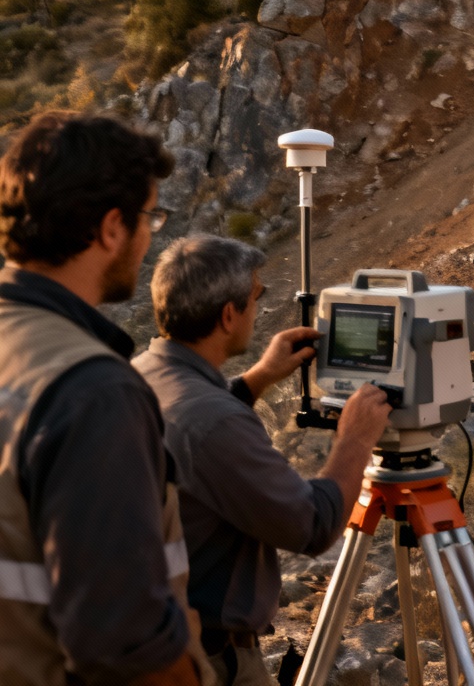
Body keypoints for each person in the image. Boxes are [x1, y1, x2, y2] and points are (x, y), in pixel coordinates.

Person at [0, 110, 210, 685]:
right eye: (150, 217)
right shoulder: (93, 390)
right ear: (112, 227)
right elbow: (125, 646)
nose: (150, 236)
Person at [133, 235, 392, 686]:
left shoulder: (141, 376)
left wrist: (256, 380)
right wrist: (355, 440)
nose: (258, 309)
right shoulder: (216, 422)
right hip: (211, 663)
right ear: (229, 315)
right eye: (256, 297)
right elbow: (312, 525)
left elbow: (196, 430)